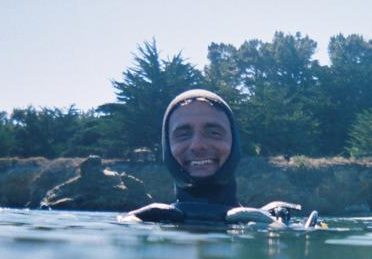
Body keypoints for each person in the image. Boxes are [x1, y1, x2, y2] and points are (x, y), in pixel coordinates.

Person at [126, 89, 316, 226]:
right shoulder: (139, 223)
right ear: (167, 147)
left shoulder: (277, 223)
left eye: (214, 133)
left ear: (234, 143)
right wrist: (128, 224)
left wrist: (275, 231)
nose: (198, 145)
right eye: (183, 134)